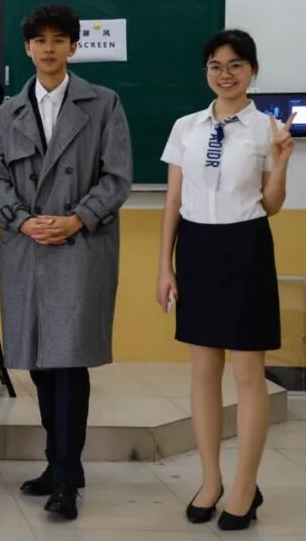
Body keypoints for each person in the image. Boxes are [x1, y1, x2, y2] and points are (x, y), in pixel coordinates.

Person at [0, 4, 132, 520]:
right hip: (28, 248)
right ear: (27, 49)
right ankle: (58, 463)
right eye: (40, 40)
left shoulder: (103, 103)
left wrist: (75, 220)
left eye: (59, 40)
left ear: (74, 47)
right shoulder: (8, 112)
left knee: (68, 363)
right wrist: (22, 221)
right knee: (41, 363)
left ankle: (66, 474)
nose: (49, 49)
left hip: (78, 246)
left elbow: (117, 177)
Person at [156, 29, 295, 531]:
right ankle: (211, 479)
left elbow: (271, 204)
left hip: (246, 246)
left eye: (236, 64)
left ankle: (244, 487)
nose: (225, 74)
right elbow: (174, 200)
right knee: (202, 371)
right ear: (206, 72)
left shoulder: (267, 129)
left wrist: (282, 161)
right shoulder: (186, 127)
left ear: (252, 69)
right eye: (216, 65)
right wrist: (165, 266)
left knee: (247, 373)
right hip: (196, 248)